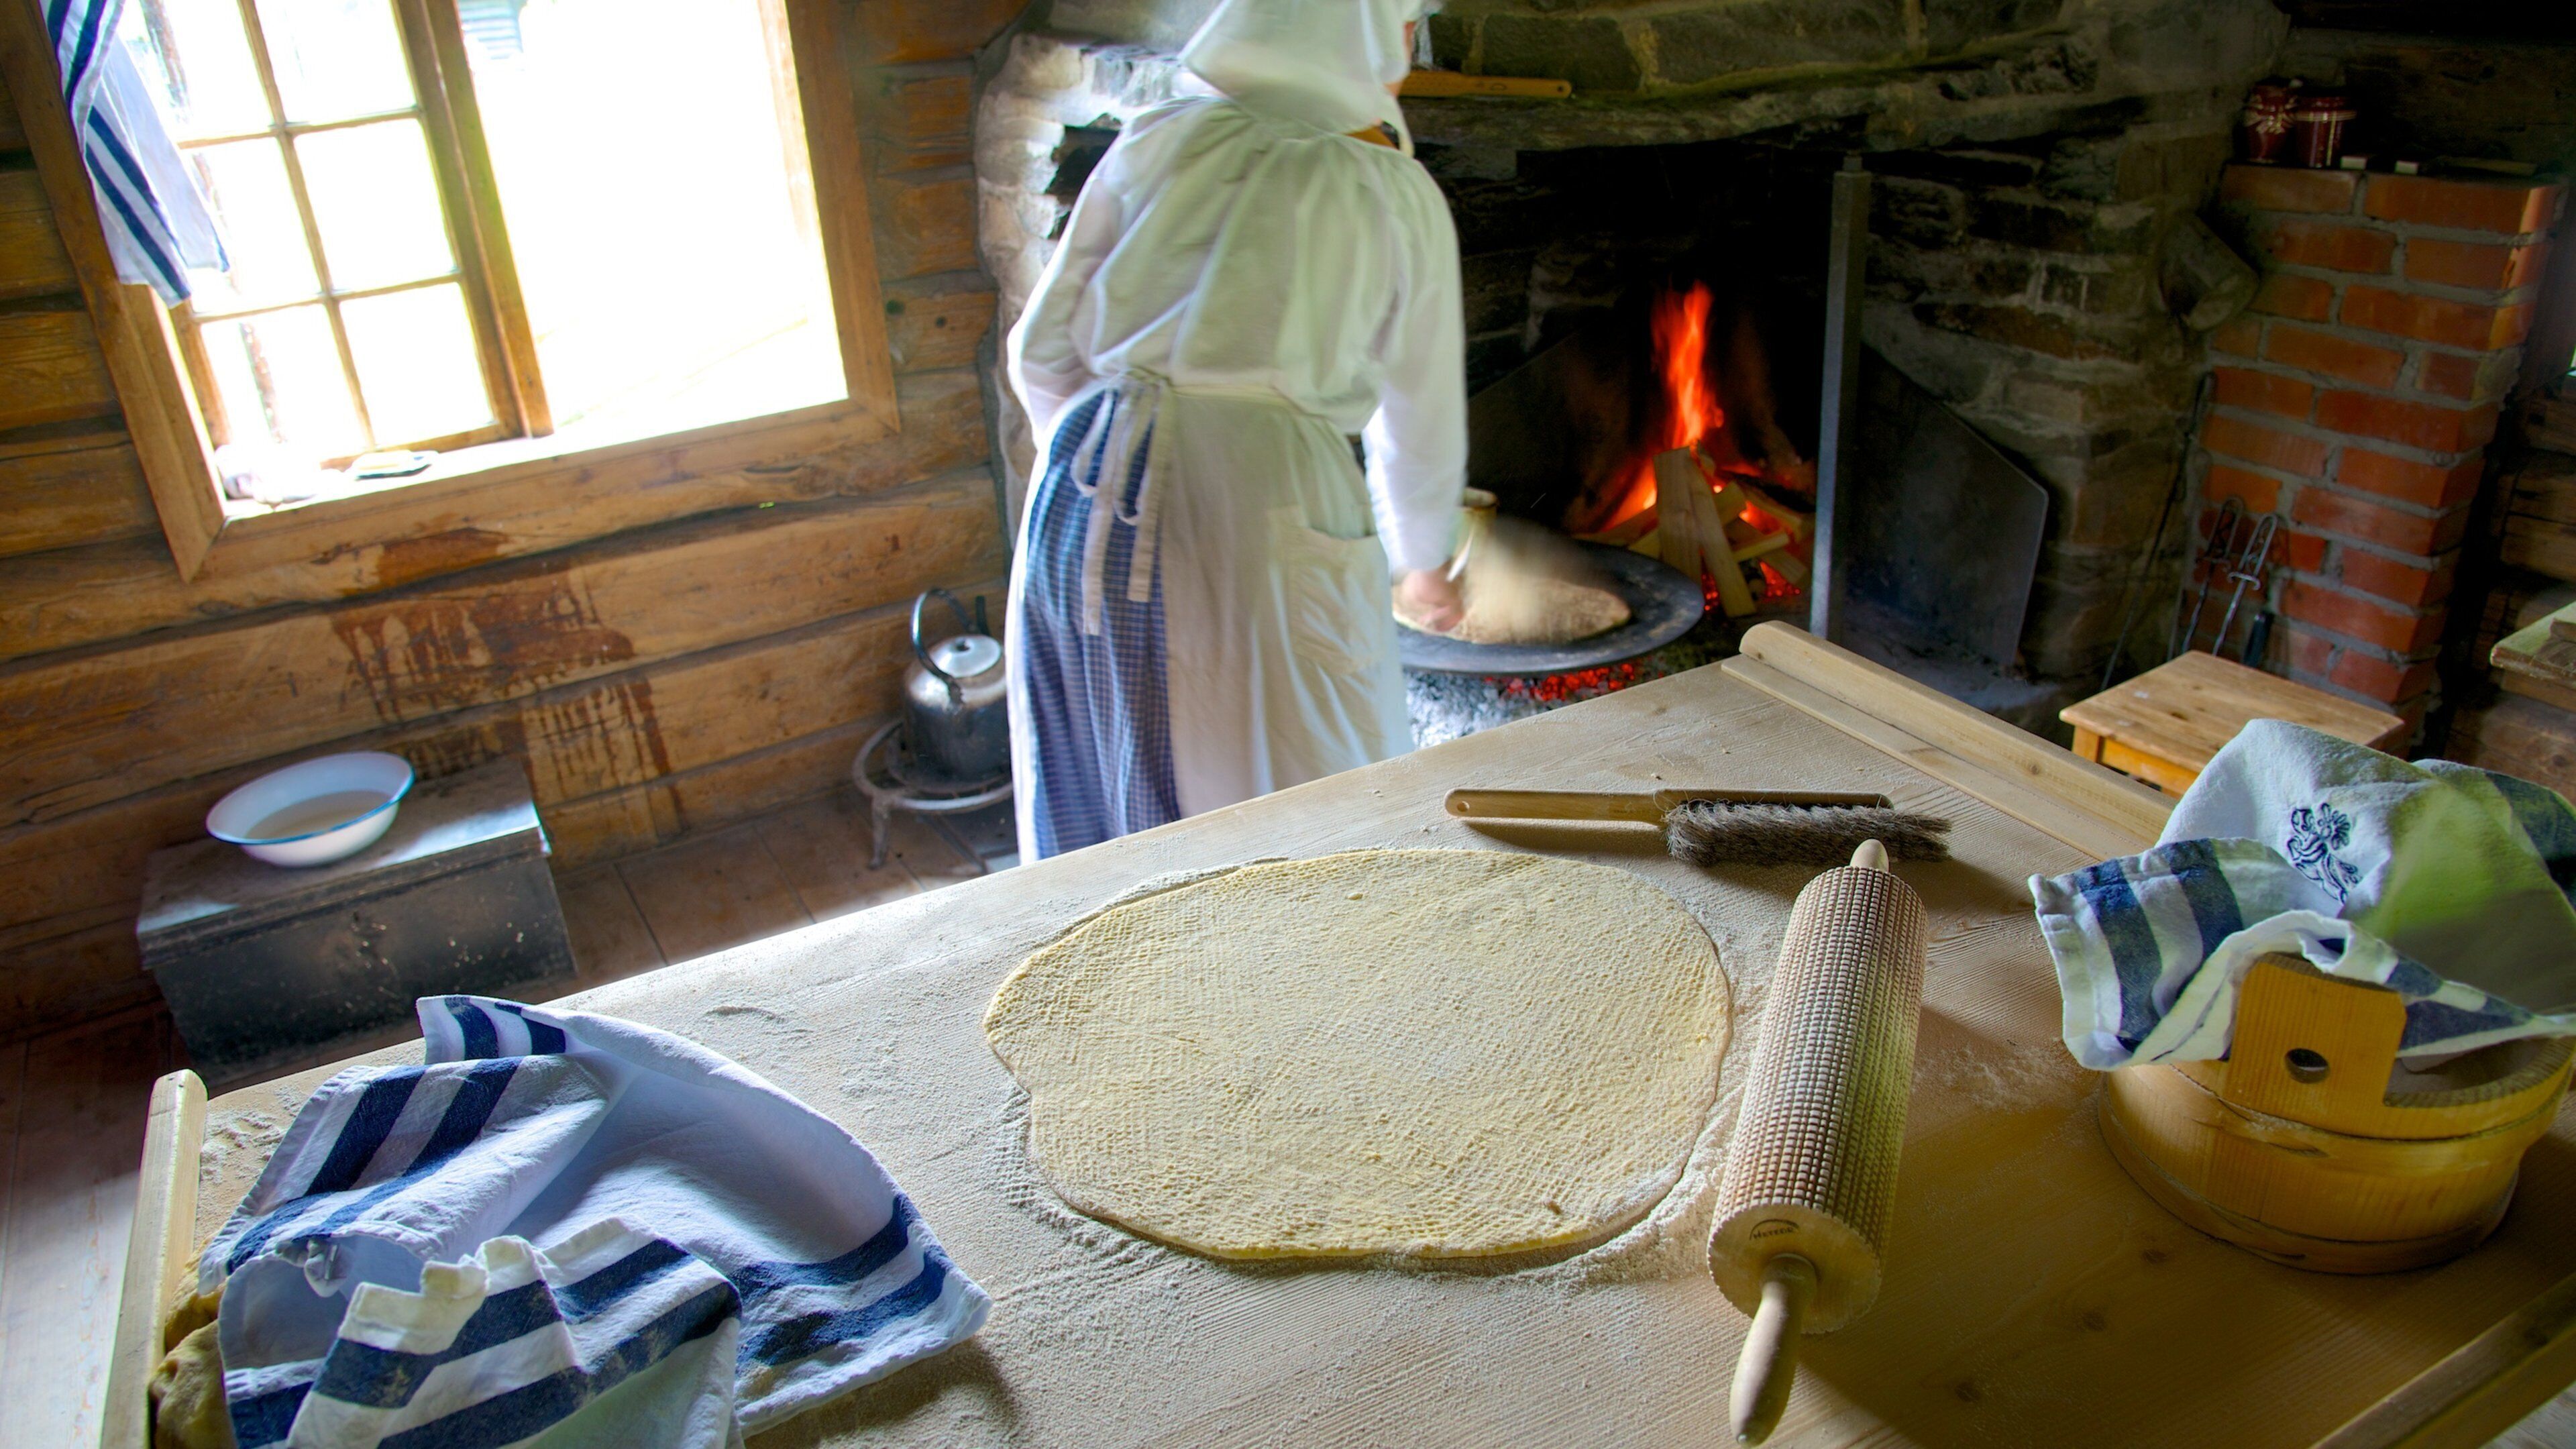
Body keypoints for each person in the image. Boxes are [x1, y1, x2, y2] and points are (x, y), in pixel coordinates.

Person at [1003, 0, 1467, 861]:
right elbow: (1421, 411)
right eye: (1403, 23)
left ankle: (1108, 970)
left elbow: (1040, 349)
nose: (1405, 46)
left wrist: (1113, 459)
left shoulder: (1154, 139)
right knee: (1294, 785)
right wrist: (1424, 559)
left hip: (1083, 485)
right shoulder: (1393, 192)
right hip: (1261, 499)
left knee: (1103, 766)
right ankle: (1281, 975)